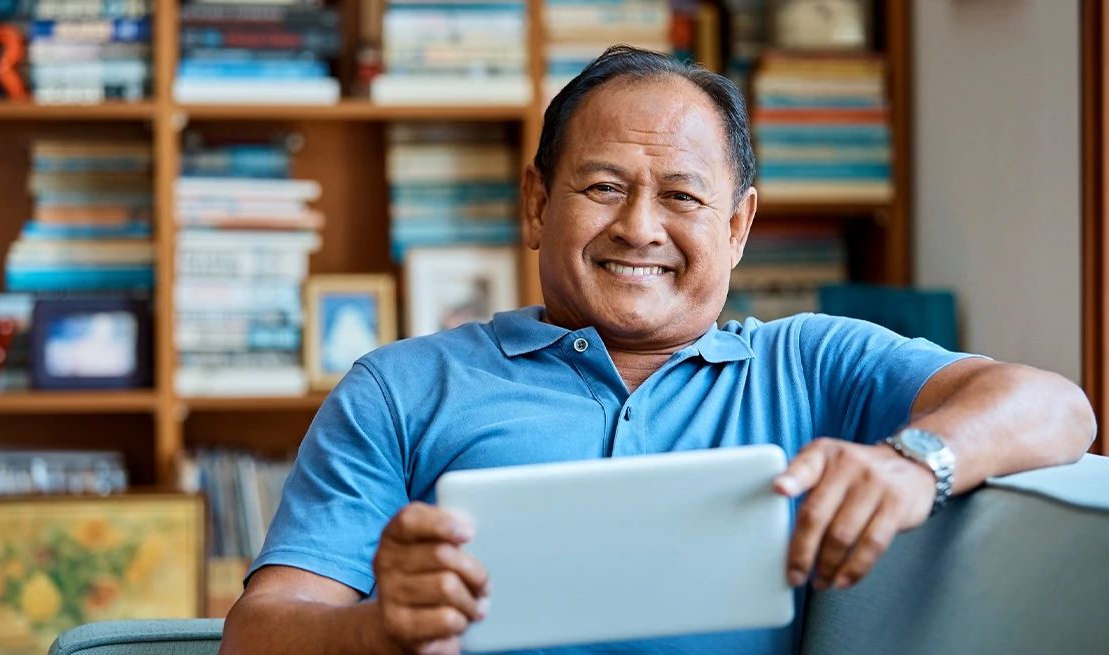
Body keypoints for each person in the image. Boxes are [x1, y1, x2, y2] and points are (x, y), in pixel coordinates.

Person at [220, 46, 1094, 655]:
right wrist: (377, 632)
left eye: (682, 195)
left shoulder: (811, 363)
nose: (639, 227)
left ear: (739, 224)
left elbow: (1059, 408)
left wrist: (916, 461)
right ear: (536, 203)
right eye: (603, 187)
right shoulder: (402, 386)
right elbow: (262, 632)